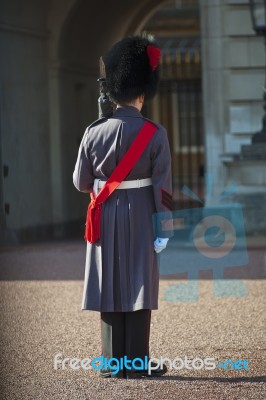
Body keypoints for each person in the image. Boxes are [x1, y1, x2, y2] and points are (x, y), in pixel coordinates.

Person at [73, 35, 173, 379]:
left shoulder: (93, 131)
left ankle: (112, 361)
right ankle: (138, 361)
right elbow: (163, 188)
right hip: (143, 212)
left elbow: (80, 182)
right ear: (142, 94)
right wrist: (165, 228)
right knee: (139, 281)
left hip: (104, 213)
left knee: (109, 282)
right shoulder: (154, 132)